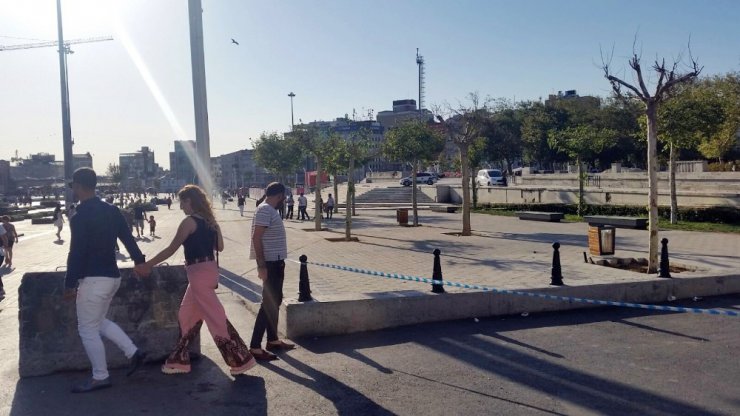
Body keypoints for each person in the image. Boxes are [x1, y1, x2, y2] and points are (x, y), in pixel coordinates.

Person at [136, 185, 256, 376]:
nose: (181, 206)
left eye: (182, 201)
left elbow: (171, 248)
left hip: (198, 273)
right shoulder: (210, 221)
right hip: (207, 271)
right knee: (186, 315)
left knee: (215, 317)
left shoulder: (188, 222)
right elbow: (221, 247)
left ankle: (241, 360)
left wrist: (148, 264)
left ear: (189, 201)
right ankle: (179, 361)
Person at [63, 168, 147, 393]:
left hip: (93, 279)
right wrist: (140, 262)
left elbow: (77, 251)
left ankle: (100, 376)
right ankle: (133, 352)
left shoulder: (80, 216)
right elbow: (128, 239)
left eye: (73, 186)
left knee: (87, 329)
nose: (73, 190)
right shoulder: (112, 210)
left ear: (79, 186)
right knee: (97, 321)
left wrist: (70, 283)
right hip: (112, 277)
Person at [249, 182, 294, 361]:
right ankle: (254, 346)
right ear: (280, 195)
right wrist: (261, 266)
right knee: (267, 304)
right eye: (283, 196)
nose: (284, 199)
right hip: (270, 264)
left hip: (276, 263)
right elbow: (256, 238)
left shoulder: (268, 209)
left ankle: (273, 340)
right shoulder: (266, 210)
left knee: (275, 302)